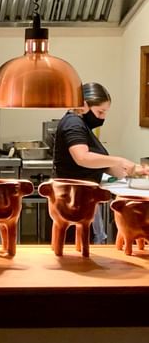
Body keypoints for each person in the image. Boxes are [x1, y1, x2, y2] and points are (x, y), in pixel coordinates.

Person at [53, 82, 147, 244]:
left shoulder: (82, 124)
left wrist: (136, 170)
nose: (103, 117)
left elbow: (101, 164)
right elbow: (82, 157)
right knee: (76, 248)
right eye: (100, 111)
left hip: (83, 198)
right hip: (73, 200)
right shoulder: (73, 123)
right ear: (84, 105)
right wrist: (119, 160)